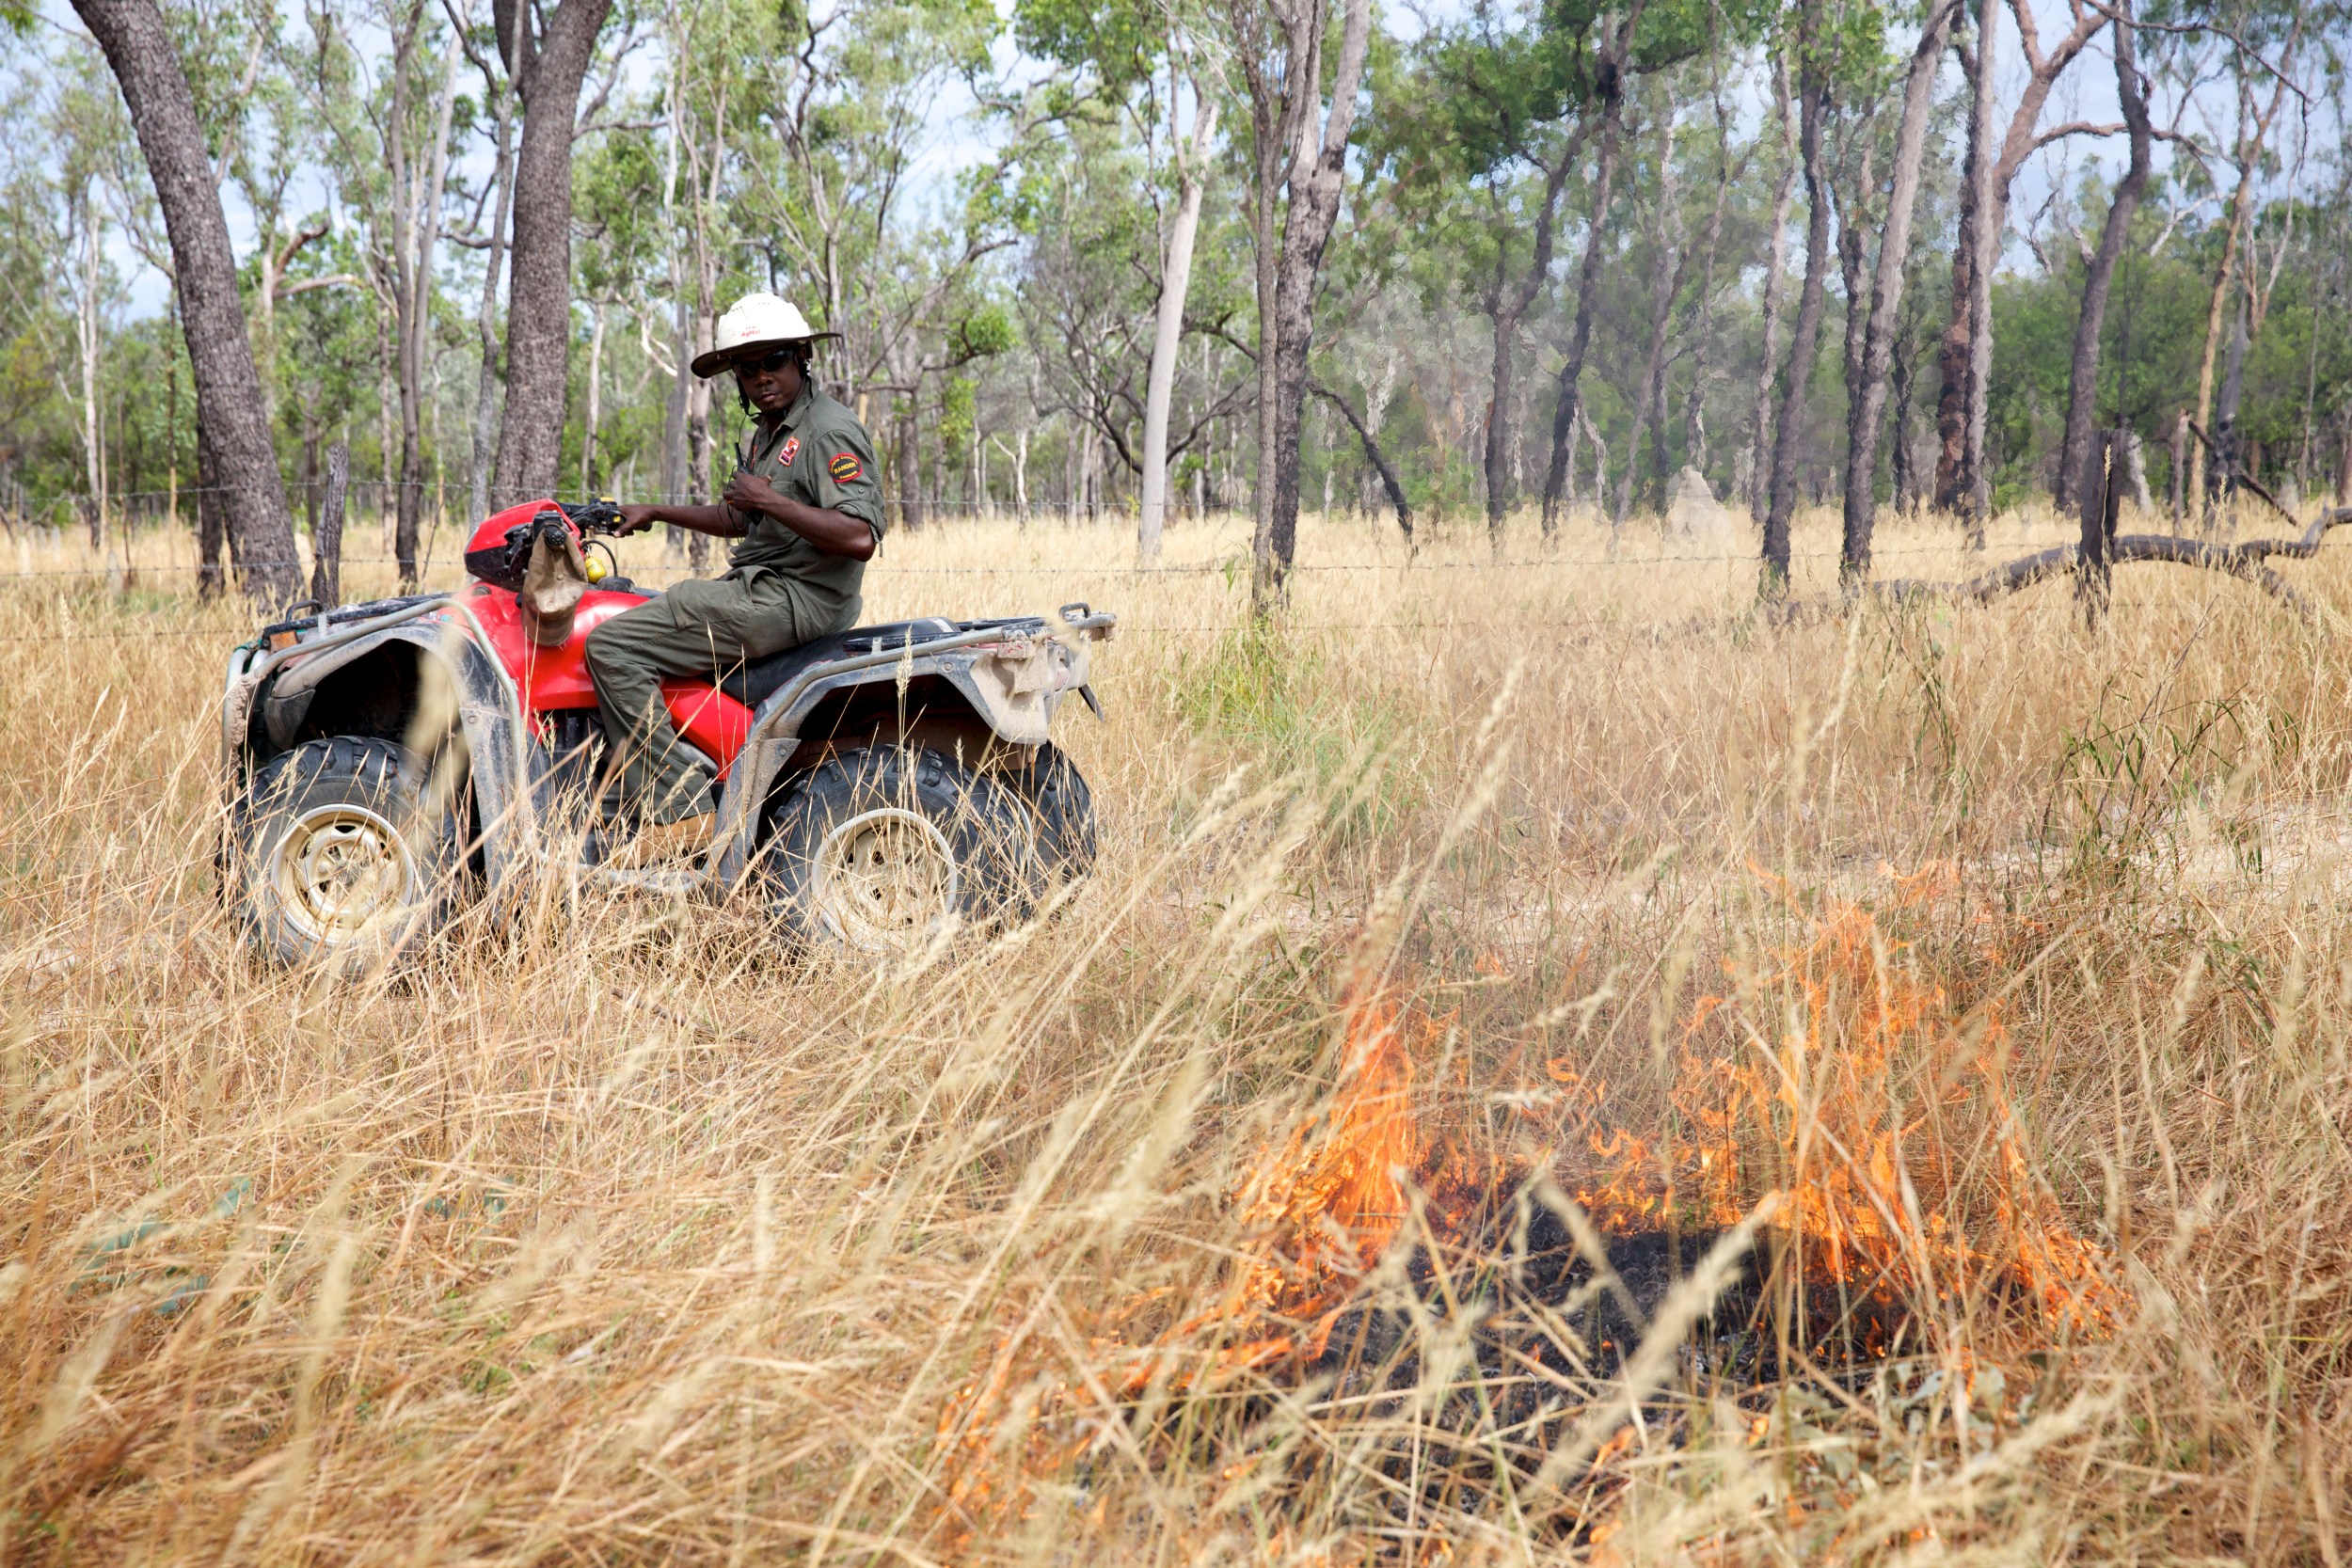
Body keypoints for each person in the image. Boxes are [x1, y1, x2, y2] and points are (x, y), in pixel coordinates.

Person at [588, 293, 885, 861]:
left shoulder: (828, 431)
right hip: (765, 585)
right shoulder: (770, 430)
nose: (761, 378)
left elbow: (858, 537)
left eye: (773, 361)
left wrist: (768, 502)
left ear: (802, 357)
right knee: (625, 610)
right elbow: (739, 517)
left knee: (613, 646)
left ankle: (683, 809)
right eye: (747, 369)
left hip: (798, 598)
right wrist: (656, 511)